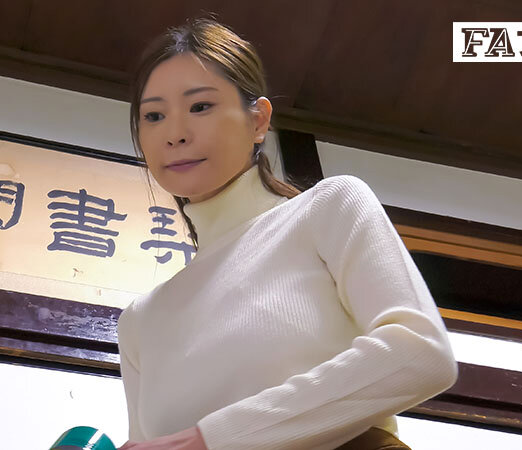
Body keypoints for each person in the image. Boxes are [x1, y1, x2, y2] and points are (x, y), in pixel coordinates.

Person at [116, 18, 458, 450]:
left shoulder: (328, 207)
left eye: (200, 106)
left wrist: (212, 439)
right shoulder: (139, 321)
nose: (175, 134)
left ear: (258, 121)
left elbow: (422, 353)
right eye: (153, 116)